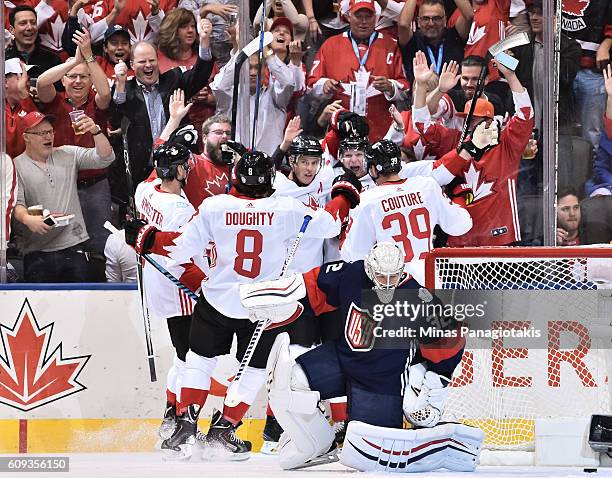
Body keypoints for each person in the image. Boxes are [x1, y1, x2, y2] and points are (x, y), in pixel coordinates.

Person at [124, 150, 361, 460]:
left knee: (199, 360)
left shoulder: (213, 207)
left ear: (235, 178)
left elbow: (180, 248)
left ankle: (184, 426)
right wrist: (344, 193)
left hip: (218, 299)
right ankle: (223, 432)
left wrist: (146, 238)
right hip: (264, 305)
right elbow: (330, 224)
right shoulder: (286, 207)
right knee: (253, 370)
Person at [264, 245, 481, 471]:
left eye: (393, 276)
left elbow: (450, 338)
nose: (387, 282)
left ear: (402, 270)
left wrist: (436, 386)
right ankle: (317, 443)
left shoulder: (417, 296)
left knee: (370, 457)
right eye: (381, 275)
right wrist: (276, 301)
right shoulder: (351, 275)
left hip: (380, 382)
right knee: (289, 380)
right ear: (369, 268)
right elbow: (310, 288)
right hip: (342, 360)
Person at [412, 51, 534, 246]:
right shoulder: (457, 141)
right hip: (461, 239)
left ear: (492, 121)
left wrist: (511, 76)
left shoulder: (506, 144)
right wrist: (420, 85)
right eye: (469, 119)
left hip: (501, 238)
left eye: (479, 119)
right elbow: (421, 126)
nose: (473, 123)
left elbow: (525, 114)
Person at [134, 142, 201, 443]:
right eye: (185, 164)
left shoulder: (146, 191)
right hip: (179, 287)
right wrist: (208, 287)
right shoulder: (181, 210)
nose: (188, 168)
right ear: (176, 170)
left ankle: (172, 414)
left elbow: (151, 174)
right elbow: (185, 258)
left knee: (182, 355)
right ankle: (179, 423)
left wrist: (170, 131)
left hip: (156, 284)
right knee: (191, 358)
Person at [110, 18, 214, 204]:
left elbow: (200, 75)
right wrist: (120, 84)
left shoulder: (174, 79)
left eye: (152, 60)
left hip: (178, 166)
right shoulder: (125, 89)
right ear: (132, 65)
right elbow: (115, 117)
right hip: (143, 167)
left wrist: (205, 40)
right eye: (142, 61)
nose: (148, 65)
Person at [12, 111, 115, 282]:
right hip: (38, 251)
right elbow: (17, 203)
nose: (48, 137)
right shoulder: (16, 166)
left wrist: (95, 131)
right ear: (26, 137)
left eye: (50, 131)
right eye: (41, 133)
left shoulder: (67, 154)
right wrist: (28, 219)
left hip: (73, 245)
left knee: (79, 305)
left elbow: (106, 158)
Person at [36, 29, 113, 257]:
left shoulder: (95, 101)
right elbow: (41, 82)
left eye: (84, 76)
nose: (78, 81)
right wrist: (76, 62)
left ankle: (102, 291)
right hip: (60, 183)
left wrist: (88, 58)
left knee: (100, 245)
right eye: (72, 76)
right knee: (62, 244)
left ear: (90, 80)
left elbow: (106, 92)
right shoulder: (55, 100)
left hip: (96, 183)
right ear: (63, 79)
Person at [307, 0, 409, 142]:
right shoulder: (330, 45)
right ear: (348, 16)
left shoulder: (390, 44)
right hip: (340, 131)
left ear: (376, 18)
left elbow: (405, 88)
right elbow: (310, 86)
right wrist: (323, 85)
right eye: (358, 16)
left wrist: (391, 87)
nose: (363, 21)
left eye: (368, 16)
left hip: (381, 131)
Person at [210, 45, 298, 155]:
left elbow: (289, 82)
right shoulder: (230, 97)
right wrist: (241, 50)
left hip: (269, 164)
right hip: (236, 165)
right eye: (248, 67)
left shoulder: (276, 97)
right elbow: (218, 86)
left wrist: (267, 49)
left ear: (265, 69)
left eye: (258, 67)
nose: (253, 72)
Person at [398, 0, 472, 84]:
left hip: (454, 96)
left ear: (445, 20)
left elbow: (468, 16)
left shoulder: (454, 36)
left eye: (436, 18)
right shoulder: (412, 41)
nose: (431, 23)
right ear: (418, 22)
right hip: (421, 95)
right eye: (425, 18)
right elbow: (403, 24)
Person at [6, 6, 62, 80]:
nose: (30, 27)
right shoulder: (4, 60)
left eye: (33, 23)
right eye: (23, 23)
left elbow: (61, 91)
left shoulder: (53, 60)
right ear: (11, 30)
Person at [4, 58, 37, 160]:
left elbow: (39, 131)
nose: (26, 81)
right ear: (5, 82)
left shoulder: (33, 101)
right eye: (21, 76)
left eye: (28, 77)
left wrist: (24, 95)